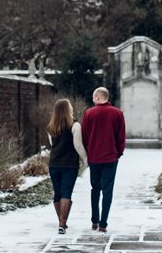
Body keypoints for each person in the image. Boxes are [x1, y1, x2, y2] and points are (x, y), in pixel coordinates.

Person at [81, 87, 126, 233]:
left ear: (98, 97)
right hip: (111, 157)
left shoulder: (89, 113)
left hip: (94, 157)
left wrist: (88, 152)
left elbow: (84, 136)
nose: (92, 99)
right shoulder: (118, 113)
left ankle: (95, 220)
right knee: (108, 190)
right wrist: (118, 152)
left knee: (95, 189)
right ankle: (103, 224)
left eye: (94, 96)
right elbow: (121, 136)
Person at [47, 98, 88, 234]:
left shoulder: (50, 127)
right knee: (66, 192)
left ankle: (61, 221)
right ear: (68, 109)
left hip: (54, 163)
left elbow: (52, 144)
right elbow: (78, 145)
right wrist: (85, 158)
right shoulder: (75, 125)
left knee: (57, 193)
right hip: (70, 164)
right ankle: (62, 223)